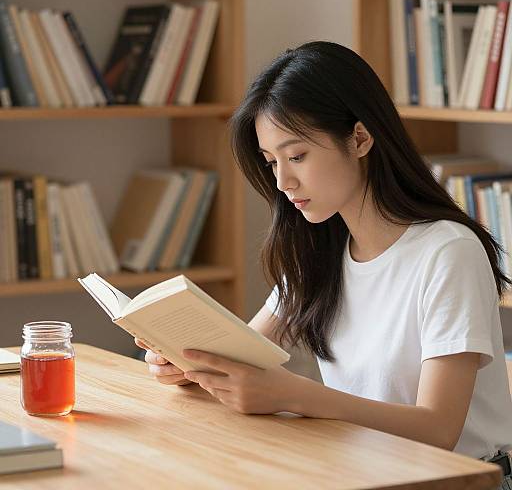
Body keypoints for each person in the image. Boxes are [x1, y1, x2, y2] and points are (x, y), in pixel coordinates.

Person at [136, 41, 512, 483]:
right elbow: (244, 353)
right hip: (364, 472)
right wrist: (187, 363)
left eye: (297, 156)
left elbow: (437, 430)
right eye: (271, 161)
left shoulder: (447, 252)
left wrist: (298, 396)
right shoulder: (321, 250)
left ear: (359, 138)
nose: (283, 181)